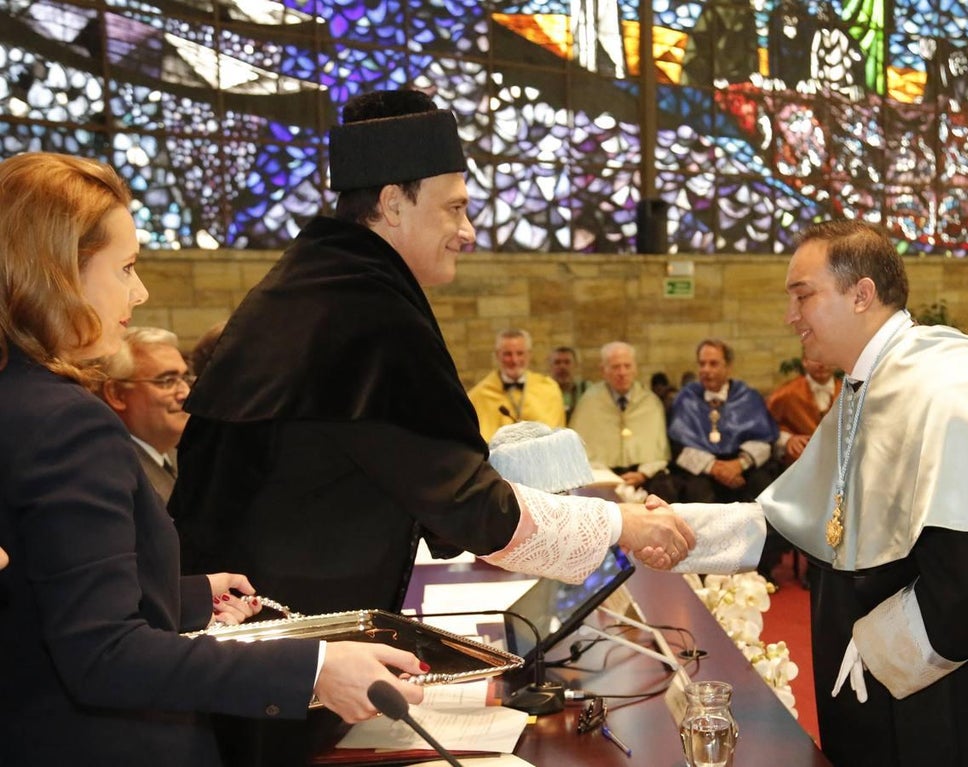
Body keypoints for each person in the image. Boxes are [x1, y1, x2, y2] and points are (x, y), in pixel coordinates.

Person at [170, 89, 690, 634]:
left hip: (246, 619)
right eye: (455, 208)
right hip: (274, 636)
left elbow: (405, 472)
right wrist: (618, 524)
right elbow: (466, 504)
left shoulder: (318, 284)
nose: (468, 231)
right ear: (393, 203)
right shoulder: (365, 311)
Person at [0, 152, 429, 767]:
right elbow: (103, 654)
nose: (140, 291)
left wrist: (193, 595)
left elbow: (43, 593)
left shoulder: (17, 398)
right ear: (59, 273)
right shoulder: (67, 421)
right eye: (126, 268)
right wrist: (314, 669)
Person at [644, 220, 968, 767]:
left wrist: (880, 648)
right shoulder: (864, 388)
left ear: (861, 294)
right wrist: (669, 528)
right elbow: (790, 518)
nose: (791, 316)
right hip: (892, 692)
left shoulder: (949, 385)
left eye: (802, 296)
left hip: (960, 696)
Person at [665, 338, 781, 502]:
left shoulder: (748, 397)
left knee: (763, 487)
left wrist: (739, 464)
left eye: (713, 364)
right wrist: (713, 467)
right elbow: (677, 446)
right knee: (696, 492)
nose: (706, 370)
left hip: (743, 467)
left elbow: (764, 441)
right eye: (702, 364)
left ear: (728, 367)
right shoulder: (686, 398)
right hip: (702, 470)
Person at [99, 326, 193, 504]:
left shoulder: (180, 458)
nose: (185, 393)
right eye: (167, 381)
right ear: (117, 394)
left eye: (185, 378)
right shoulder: (112, 471)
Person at [569, 341, 674, 498]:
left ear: (635, 369)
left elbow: (658, 450)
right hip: (602, 473)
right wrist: (607, 476)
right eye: (615, 367)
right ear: (603, 371)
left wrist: (643, 474)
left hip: (645, 474)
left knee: (665, 488)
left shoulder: (650, 402)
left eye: (627, 366)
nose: (622, 372)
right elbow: (580, 450)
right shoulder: (589, 402)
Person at [468, 328, 566, 439]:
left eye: (520, 353)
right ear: (497, 355)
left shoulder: (549, 389)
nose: (514, 360)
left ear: (529, 355)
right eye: (507, 354)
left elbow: (558, 436)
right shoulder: (477, 396)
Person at [767, 354, 842, 466]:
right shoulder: (785, 394)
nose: (821, 364)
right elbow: (766, 426)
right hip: (799, 461)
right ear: (804, 362)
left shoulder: (849, 393)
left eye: (827, 358)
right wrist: (787, 440)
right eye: (815, 359)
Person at [547, 344, 590, 422]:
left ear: (576, 366)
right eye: (557, 362)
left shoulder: (587, 390)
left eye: (567, 362)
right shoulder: (542, 392)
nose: (562, 367)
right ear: (550, 366)